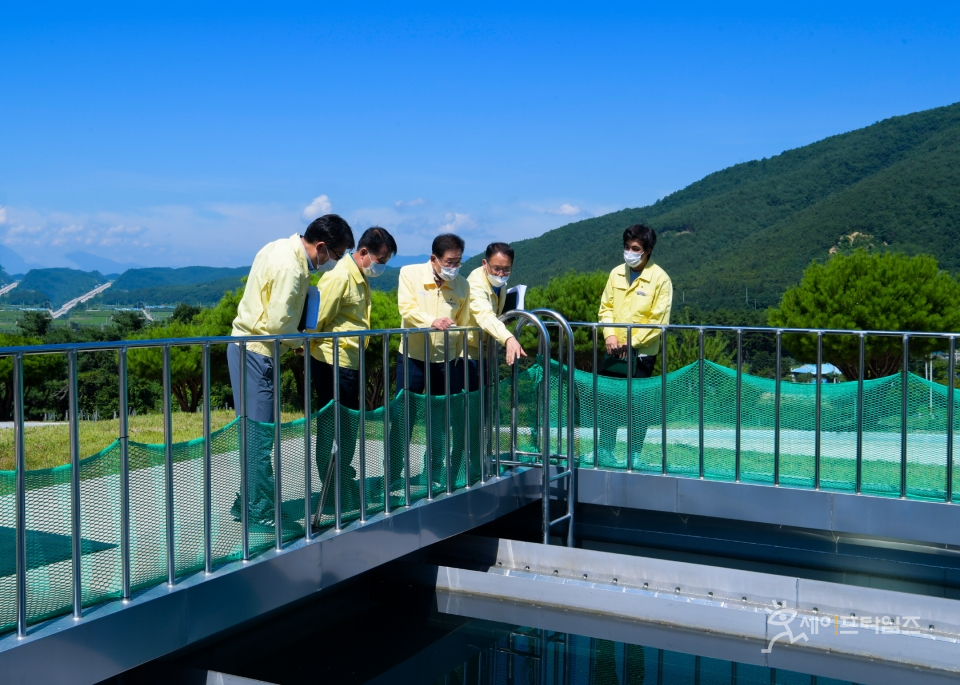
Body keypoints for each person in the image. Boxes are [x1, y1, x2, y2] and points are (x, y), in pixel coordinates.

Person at [228, 214, 355, 526]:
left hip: (246, 347)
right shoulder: (292, 267)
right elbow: (278, 325)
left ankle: (245, 502)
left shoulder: (278, 248)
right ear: (322, 247)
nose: (336, 263)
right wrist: (303, 340)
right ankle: (260, 511)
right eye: (337, 256)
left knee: (253, 433)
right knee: (259, 436)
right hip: (257, 352)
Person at [310, 226, 396, 516]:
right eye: (380, 260)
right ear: (363, 253)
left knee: (347, 429)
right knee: (333, 429)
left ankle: (342, 484)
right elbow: (317, 319)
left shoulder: (358, 276)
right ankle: (334, 493)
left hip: (350, 362)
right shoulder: (340, 276)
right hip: (333, 363)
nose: (381, 266)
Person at [395, 233, 471, 491]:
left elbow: (463, 322)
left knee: (439, 420)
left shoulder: (462, 285)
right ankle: (393, 473)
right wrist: (431, 321)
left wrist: (460, 357)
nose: (454, 268)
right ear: (434, 259)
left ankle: (434, 471)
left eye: (458, 262)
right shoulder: (409, 273)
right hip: (412, 358)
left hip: (446, 361)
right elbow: (406, 309)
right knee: (403, 417)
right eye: (449, 262)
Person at [597, 223, 673, 468]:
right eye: (627, 247)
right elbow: (606, 308)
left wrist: (631, 342)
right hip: (613, 351)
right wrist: (609, 335)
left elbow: (658, 321)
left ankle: (634, 455)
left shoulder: (660, 280)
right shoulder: (616, 273)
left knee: (637, 407)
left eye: (636, 248)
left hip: (641, 354)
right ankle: (606, 451)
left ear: (648, 250)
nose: (630, 252)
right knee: (608, 404)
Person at [466, 242, 527, 389]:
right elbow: (484, 315)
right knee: (470, 402)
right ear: (485, 263)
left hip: (485, 352)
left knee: (485, 400)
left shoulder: (500, 284)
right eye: (496, 268)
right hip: (467, 354)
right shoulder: (475, 284)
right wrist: (508, 338)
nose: (501, 274)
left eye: (506, 269)